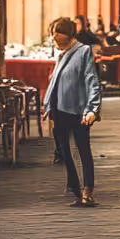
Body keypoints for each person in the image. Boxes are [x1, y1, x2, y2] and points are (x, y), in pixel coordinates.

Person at [42, 16, 102, 207]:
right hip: (59, 109)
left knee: (83, 149)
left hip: (78, 110)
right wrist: (48, 105)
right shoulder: (61, 54)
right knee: (63, 149)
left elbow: (92, 80)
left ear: (66, 35)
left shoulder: (83, 51)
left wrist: (92, 108)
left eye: (56, 35)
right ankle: (74, 186)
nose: (54, 39)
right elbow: (55, 81)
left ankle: (88, 189)